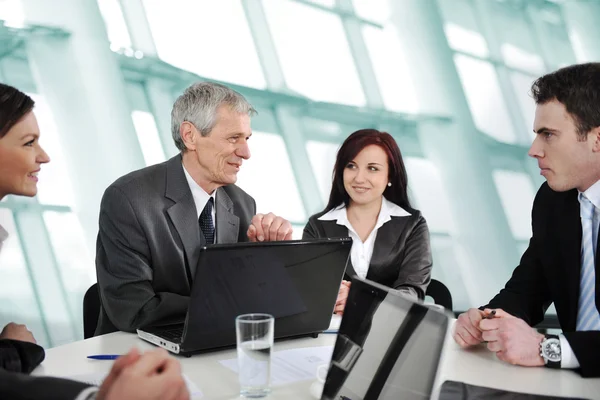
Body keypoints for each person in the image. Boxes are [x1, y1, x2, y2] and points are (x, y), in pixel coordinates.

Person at [0, 83, 189, 399]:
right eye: (29, 142)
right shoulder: (127, 198)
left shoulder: (240, 204)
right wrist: (13, 351)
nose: (44, 156)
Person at [95, 82, 294, 334]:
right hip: (137, 351)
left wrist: (268, 255)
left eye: (246, 139)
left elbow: (248, 296)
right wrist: (230, 306)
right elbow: (135, 308)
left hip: (212, 343)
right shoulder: (129, 198)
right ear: (190, 136)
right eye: (234, 138)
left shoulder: (242, 204)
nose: (246, 152)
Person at [453, 63, 600, 378]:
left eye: (548, 135)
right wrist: (489, 318)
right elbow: (528, 288)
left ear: (597, 140)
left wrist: (546, 348)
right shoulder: (553, 201)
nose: (534, 150)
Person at [303, 129, 433, 314]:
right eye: (351, 166)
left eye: (372, 168)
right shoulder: (317, 226)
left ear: (390, 176)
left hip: (388, 330)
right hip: (330, 333)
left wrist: (362, 299)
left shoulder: (412, 224)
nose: (359, 178)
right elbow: (311, 289)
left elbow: (412, 291)